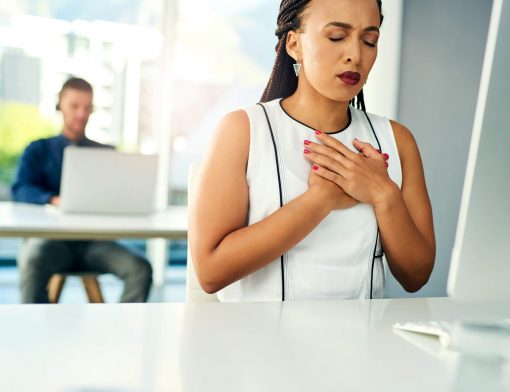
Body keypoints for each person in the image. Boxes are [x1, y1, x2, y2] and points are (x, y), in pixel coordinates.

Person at [189, 0, 436, 301]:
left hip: (364, 345)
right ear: (294, 44)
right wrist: (320, 200)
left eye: (369, 41)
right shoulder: (244, 130)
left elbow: (416, 276)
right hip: (259, 344)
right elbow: (211, 273)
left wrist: (384, 195)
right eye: (336, 37)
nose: (355, 55)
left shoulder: (397, 141)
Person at [11, 77, 152, 303]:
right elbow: (20, 189)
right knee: (32, 260)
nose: (81, 114)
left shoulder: (106, 154)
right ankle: (34, 334)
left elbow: (120, 194)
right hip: (52, 242)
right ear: (60, 105)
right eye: (74, 106)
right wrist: (53, 199)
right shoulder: (38, 150)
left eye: (87, 108)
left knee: (140, 268)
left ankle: (125, 335)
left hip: (96, 244)